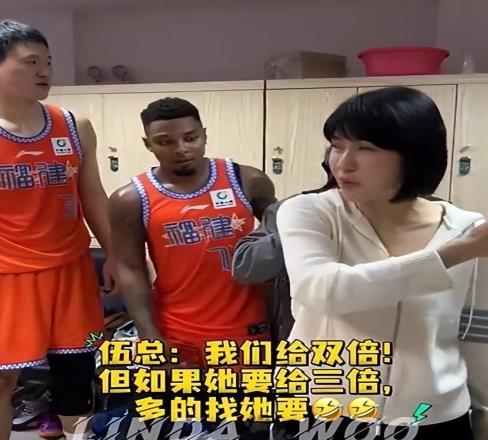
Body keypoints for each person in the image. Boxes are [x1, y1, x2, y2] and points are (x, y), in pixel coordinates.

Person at [274, 87, 488, 440]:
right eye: (336, 146)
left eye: (366, 148)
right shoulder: (311, 212)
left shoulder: (466, 229)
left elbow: (481, 336)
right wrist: (454, 253)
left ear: (414, 155)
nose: (343, 163)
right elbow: (323, 290)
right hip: (324, 413)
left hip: (432, 418)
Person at [109, 97, 276, 434]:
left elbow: (281, 238)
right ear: (148, 144)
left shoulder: (248, 180)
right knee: (183, 423)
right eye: (165, 142)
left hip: (247, 329)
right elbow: (130, 268)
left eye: (190, 138)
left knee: (251, 424)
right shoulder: (131, 199)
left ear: (204, 135)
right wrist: (149, 337)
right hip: (178, 330)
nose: (181, 149)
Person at [0, 20, 114, 440]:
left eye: (48, 61)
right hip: (7, 274)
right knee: (3, 380)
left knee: (77, 376)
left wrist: (116, 255)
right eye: (31, 62)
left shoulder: (73, 125)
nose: (45, 71)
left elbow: (94, 196)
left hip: (71, 269)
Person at [232, 150, 334, 345]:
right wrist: (300, 229)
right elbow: (245, 266)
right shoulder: (293, 209)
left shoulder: (393, 215)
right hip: (301, 339)